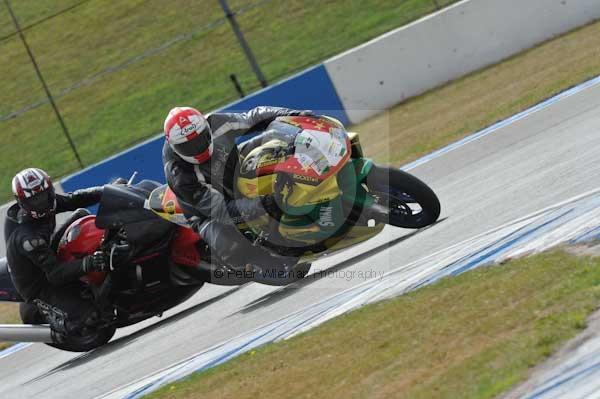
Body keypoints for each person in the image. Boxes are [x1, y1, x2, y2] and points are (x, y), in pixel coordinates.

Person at [162, 106, 312, 281]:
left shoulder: (216, 122)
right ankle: (266, 269)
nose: (197, 149)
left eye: (201, 139)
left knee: (277, 143)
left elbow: (253, 117)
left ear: (206, 127)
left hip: (235, 170)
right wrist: (261, 205)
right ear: (174, 146)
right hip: (206, 212)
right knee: (229, 243)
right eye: (188, 147)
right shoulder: (180, 174)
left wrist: (291, 115)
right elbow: (220, 210)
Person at [5, 168, 107, 333]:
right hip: (39, 284)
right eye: (34, 200)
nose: (41, 203)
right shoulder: (27, 237)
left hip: (47, 253)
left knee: (82, 215)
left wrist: (107, 190)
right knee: (92, 317)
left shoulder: (49, 204)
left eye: (44, 195)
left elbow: (75, 199)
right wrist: (89, 262)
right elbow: (55, 274)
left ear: (50, 190)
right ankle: (60, 323)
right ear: (22, 202)